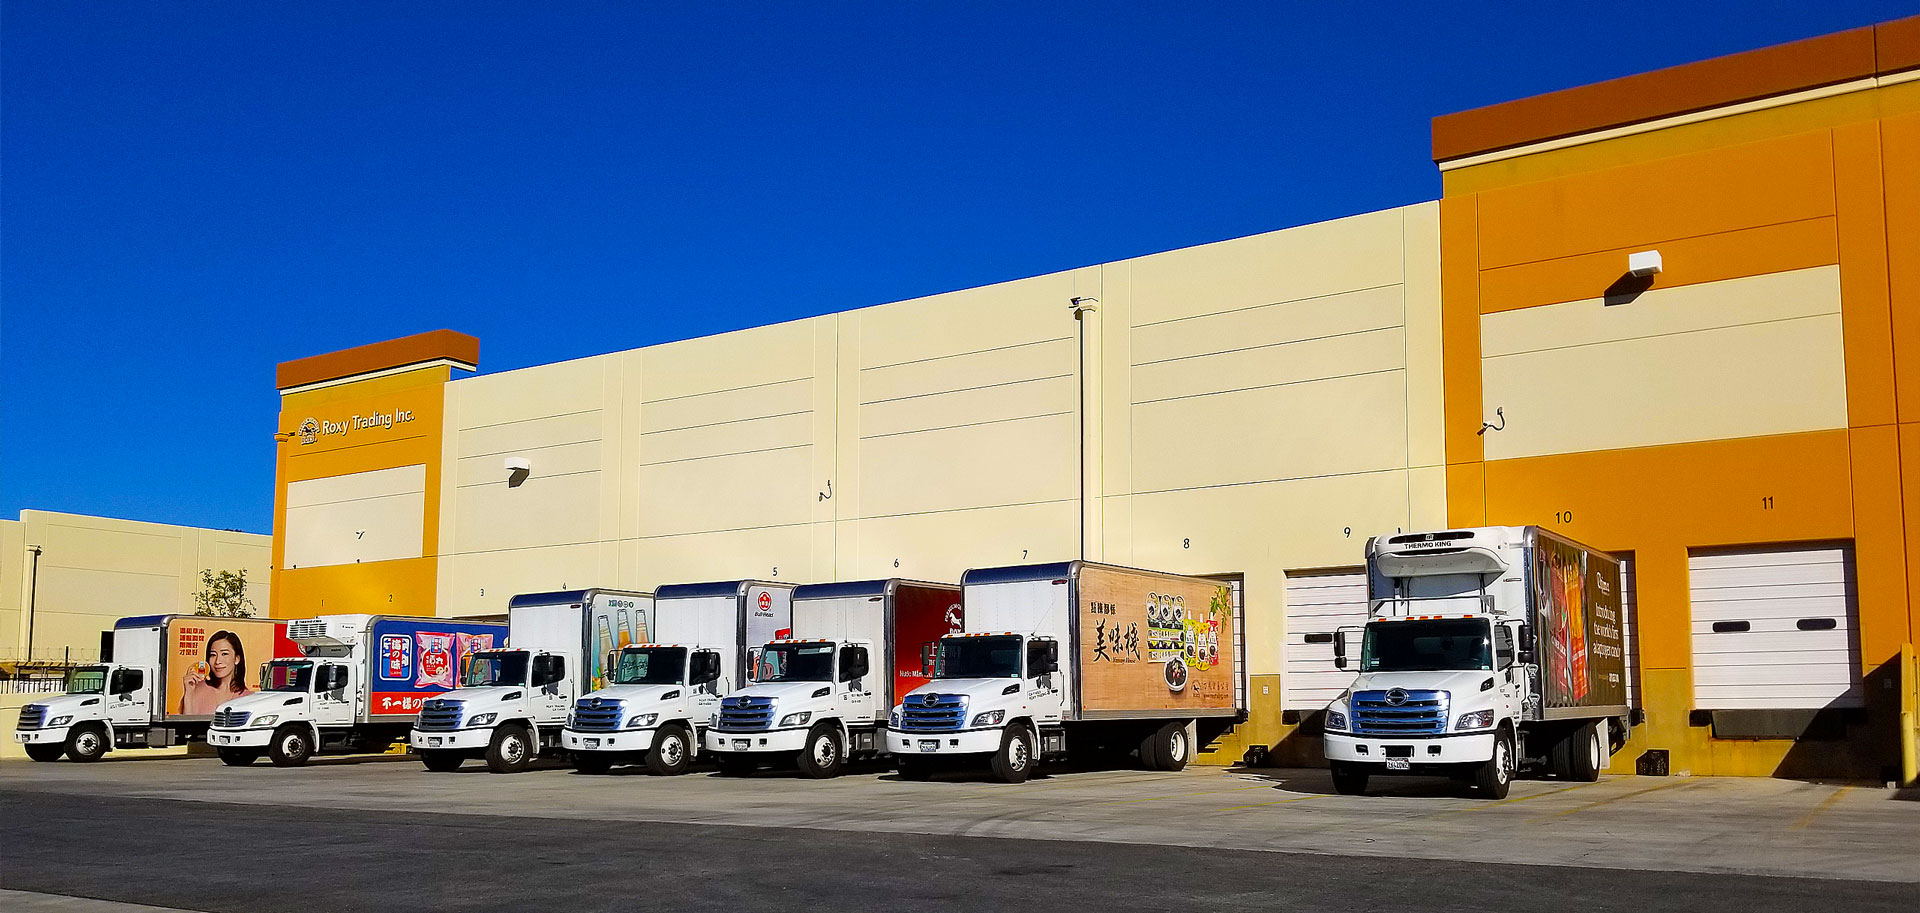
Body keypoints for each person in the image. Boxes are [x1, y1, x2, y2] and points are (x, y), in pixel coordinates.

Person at [181, 630, 253, 714]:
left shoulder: (248, 697)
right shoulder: (196, 689)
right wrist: (189, 693)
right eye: (213, 655)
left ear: (236, 659)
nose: (217, 661)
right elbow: (186, 725)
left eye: (224, 654)